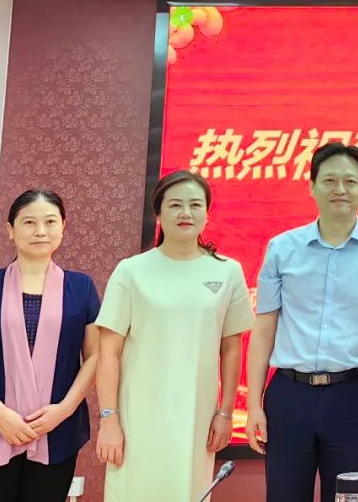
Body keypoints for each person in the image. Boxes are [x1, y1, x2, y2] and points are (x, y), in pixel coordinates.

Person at [245, 142, 358, 502]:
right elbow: (264, 328)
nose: (340, 190)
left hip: (354, 398)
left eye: (350, 181)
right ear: (312, 186)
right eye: (330, 180)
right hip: (290, 395)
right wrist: (254, 404)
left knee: (351, 498)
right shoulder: (282, 248)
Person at [94, 170, 254, 502]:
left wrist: (225, 413)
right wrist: (109, 420)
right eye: (175, 205)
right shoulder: (131, 271)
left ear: (207, 214)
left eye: (195, 205)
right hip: (137, 417)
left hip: (197, 418)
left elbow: (231, 348)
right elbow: (108, 352)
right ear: (159, 213)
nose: (185, 213)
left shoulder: (227, 271)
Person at [0, 189, 100, 502]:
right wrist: (0, 415)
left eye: (50, 222)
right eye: (29, 222)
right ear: (10, 230)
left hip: (55, 430)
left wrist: (63, 410)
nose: (40, 231)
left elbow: (95, 356)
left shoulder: (81, 287)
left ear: (63, 227)